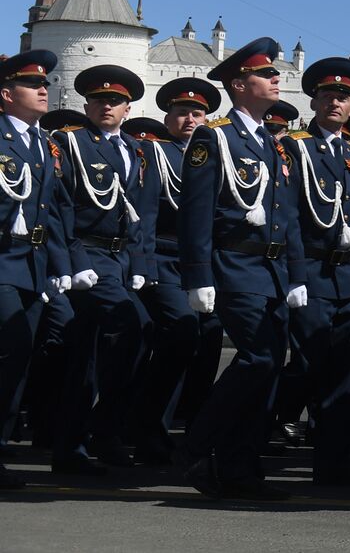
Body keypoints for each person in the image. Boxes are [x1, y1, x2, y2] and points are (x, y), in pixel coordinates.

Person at [178, 38, 308, 500]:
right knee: (258, 358)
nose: (276, 79)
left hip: (271, 271)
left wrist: (296, 276)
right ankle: (198, 442)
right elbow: (195, 211)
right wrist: (198, 274)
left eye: (276, 73)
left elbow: (286, 214)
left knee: (270, 368)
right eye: (266, 74)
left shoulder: (272, 143)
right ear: (239, 84)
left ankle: (241, 469)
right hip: (234, 265)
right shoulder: (214, 137)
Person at [51, 64, 157, 475]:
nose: (106, 106)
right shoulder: (70, 142)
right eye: (99, 100)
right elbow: (61, 207)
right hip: (88, 255)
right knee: (130, 326)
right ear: (87, 105)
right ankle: (95, 433)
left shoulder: (136, 150)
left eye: (115, 101)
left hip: (121, 257)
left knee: (89, 355)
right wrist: (75, 262)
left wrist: (142, 264)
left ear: (128, 108)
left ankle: (88, 436)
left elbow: (143, 214)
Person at [278, 57, 350, 485]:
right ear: (314, 101)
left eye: (344, 97)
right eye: (327, 95)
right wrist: (295, 275)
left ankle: (333, 463)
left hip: (346, 278)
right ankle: (253, 434)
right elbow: (288, 216)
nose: (335, 102)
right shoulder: (295, 147)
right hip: (312, 274)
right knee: (307, 367)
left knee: (344, 373)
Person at [126, 76, 224, 465]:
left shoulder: (218, 152)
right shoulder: (155, 154)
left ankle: (191, 427)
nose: (189, 119)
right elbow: (146, 215)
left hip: (203, 261)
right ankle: (149, 429)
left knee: (207, 342)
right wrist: (143, 264)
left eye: (197, 113)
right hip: (165, 257)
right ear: (167, 117)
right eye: (181, 112)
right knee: (181, 333)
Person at [0, 51, 71, 489]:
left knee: (17, 361)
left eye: (45, 83)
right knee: (10, 351)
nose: (44, 89)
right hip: (3, 261)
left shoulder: (44, 144)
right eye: (32, 85)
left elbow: (54, 211)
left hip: (32, 264)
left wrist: (60, 266)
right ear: (7, 94)